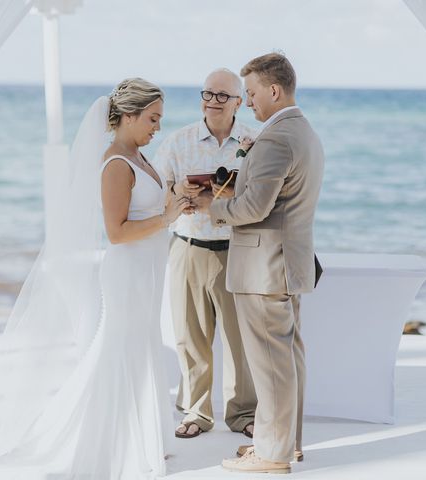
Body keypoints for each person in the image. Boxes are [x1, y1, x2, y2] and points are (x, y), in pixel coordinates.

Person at [0, 78, 191, 479]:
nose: (158, 127)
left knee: (141, 348)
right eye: (152, 119)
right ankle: (114, 443)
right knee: (121, 351)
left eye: (160, 120)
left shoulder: (140, 157)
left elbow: (151, 214)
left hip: (147, 272)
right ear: (129, 116)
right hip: (127, 274)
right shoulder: (116, 163)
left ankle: (144, 436)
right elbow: (118, 232)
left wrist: (178, 201)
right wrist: (167, 217)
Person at [193, 53, 325, 474]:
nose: (248, 102)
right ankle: (287, 444)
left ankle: (271, 453)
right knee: (288, 360)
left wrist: (210, 206)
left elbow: (253, 207)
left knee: (271, 366)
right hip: (288, 263)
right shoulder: (303, 131)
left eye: (250, 93)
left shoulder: (276, 137)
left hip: (265, 267)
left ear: (273, 90)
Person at [155, 68, 257, 440]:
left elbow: (264, 197)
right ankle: (197, 412)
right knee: (190, 336)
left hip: (237, 249)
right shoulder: (177, 141)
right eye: (208, 94)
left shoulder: (254, 140)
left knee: (240, 339)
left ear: (239, 101)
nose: (213, 102)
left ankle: (244, 412)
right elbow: (157, 195)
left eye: (222, 96)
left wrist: (228, 195)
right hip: (189, 247)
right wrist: (177, 189)